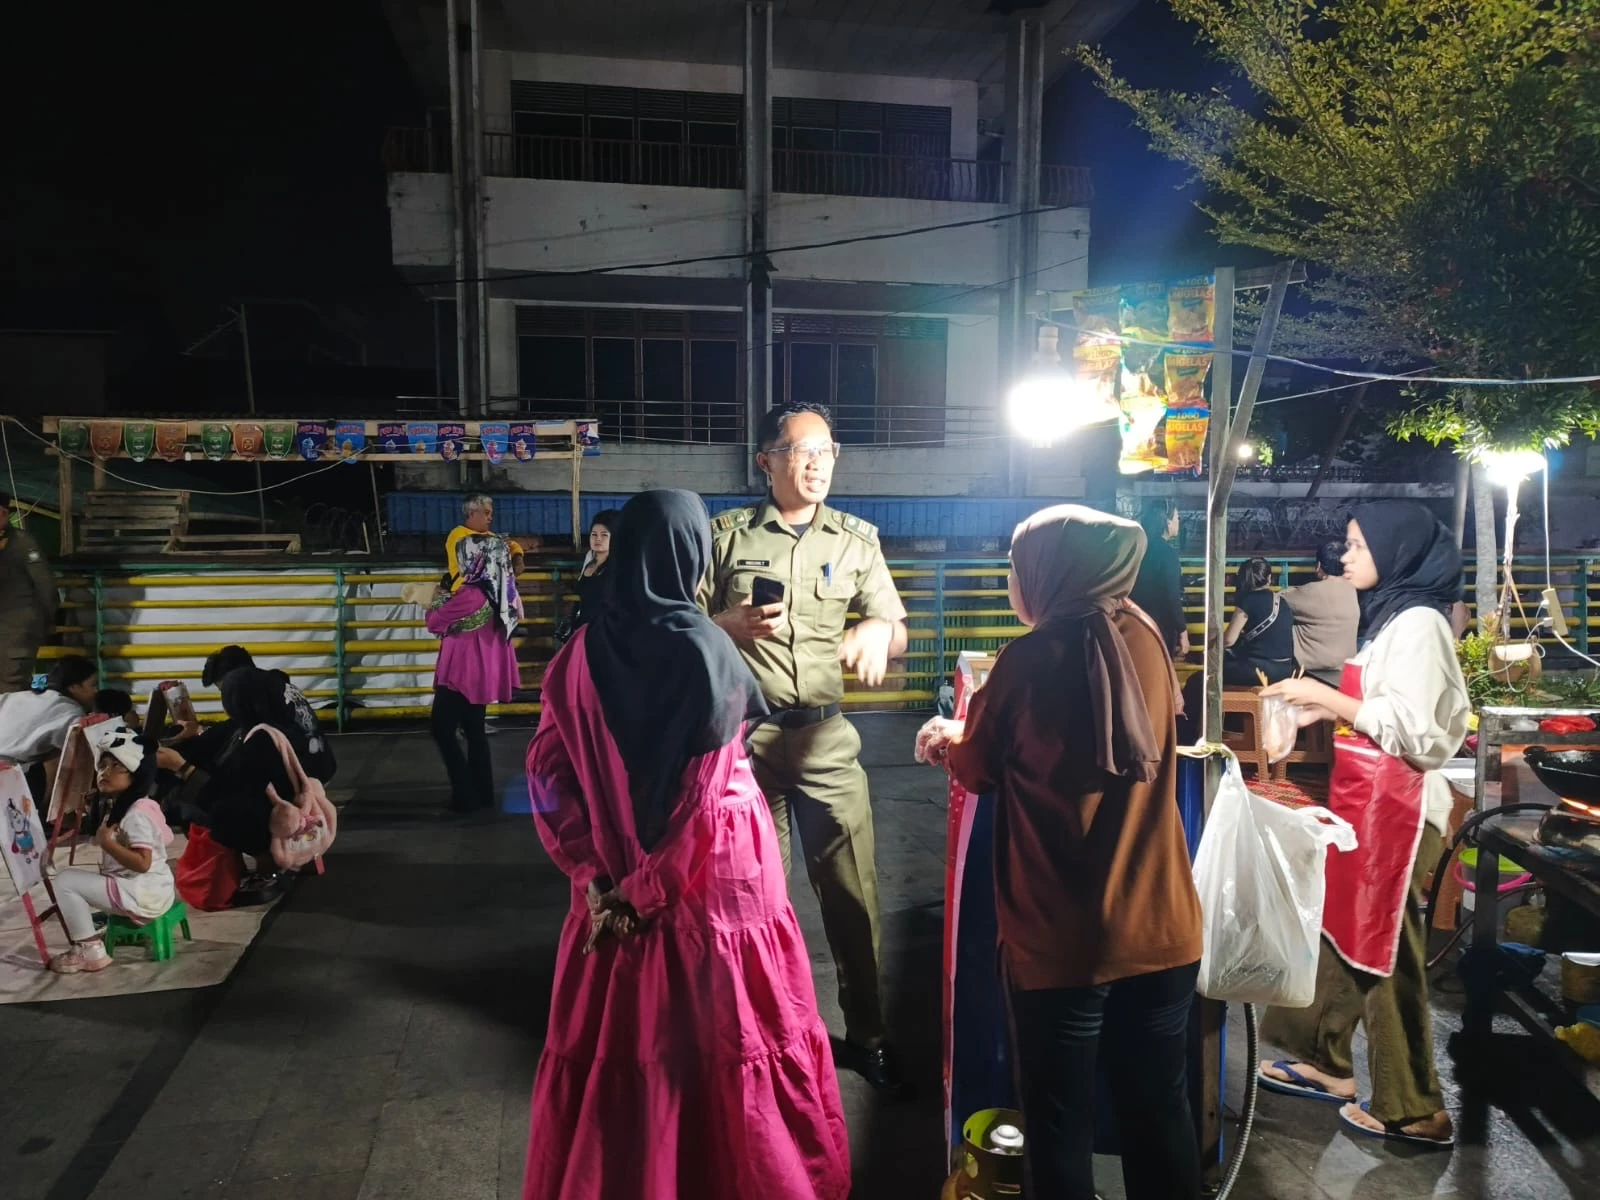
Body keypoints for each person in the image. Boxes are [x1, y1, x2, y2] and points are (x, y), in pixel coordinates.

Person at [523, 489, 851, 1200]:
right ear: (689, 553)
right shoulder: (703, 647)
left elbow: (546, 775)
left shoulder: (579, 650)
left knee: (631, 1049)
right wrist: (643, 895)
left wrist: (592, 879)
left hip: (610, 890)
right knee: (727, 1045)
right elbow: (702, 808)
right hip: (712, 900)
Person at [916, 506, 1202, 1200]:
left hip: (1064, 944)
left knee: (1058, 1129)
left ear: (1046, 572)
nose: (1013, 581)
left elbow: (980, 767)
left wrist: (951, 733)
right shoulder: (1148, 638)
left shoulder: (1031, 658)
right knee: (1159, 1113)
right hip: (1164, 931)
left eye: (1016, 568)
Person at [698, 401, 910, 1093]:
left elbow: (893, 623)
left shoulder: (856, 540)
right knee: (747, 902)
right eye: (801, 451)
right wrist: (724, 625)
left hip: (826, 742)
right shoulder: (724, 537)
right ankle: (758, 1035)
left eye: (826, 450)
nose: (817, 462)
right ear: (768, 461)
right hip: (744, 748)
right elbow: (680, 630)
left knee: (853, 898)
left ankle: (869, 1032)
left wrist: (880, 631)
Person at [1257, 501, 1469, 1148]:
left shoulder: (1422, 625)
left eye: (1355, 545)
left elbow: (1414, 731)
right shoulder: (1393, 620)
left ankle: (1416, 1108)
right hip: (1367, 804)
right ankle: (1324, 1062)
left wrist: (1324, 697)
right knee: (1343, 925)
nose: (1344, 555)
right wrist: (1326, 712)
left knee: (1385, 953)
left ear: (1396, 550)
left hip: (1401, 814)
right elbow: (1380, 707)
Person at [162, 666, 314, 907]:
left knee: (204, 806)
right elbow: (216, 742)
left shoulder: (266, 736)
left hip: (276, 814)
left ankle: (270, 864)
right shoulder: (254, 721)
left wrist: (183, 768)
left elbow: (232, 790)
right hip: (263, 801)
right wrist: (186, 739)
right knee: (184, 792)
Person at [46, 722, 176, 974]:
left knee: (64, 881)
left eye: (118, 767)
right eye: (103, 765)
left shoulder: (135, 814)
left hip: (142, 894)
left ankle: (90, 949)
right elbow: (167, 838)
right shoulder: (143, 804)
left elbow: (142, 863)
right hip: (156, 888)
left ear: (136, 774)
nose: (106, 772)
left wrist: (107, 843)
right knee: (80, 881)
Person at [426, 532, 521, 813]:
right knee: (474, 731)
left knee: (442, 729)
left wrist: (435, 600)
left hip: (461, 673)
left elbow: (434, 621)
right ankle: (482, 793)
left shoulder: (471, 593)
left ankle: (465, 795)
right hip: (482, 672)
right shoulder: (504, 588)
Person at [197, 645, 335, 782]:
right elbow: (236, 726)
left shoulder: (256, 694)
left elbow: (247, 746)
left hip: (301, 780)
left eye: (225, 691)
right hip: (322, 768)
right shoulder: (274, 686)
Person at [0, 655, 99, 802]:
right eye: (93, 685)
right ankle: (46, 817)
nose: (96, 691)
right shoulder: (71, 713)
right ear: (74, 687)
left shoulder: (13, 697)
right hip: (9, 781)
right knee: (65, 753)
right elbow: (86, 754)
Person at [0, 493, 59, 694]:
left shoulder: (21, 543)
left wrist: (47, 619)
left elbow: (46, 586)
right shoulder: (23, 542)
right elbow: (46, 586)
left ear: (2, 514)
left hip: (14, 633)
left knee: (11, 691)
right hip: (17, 633)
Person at [1282, 541, 1360, 679]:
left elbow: (1275, 601)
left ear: (1318, 566)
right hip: (1344, 665)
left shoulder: (1309, 592)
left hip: (1312, 669)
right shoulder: (1352, 589)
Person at [1129, 497, 1188, 659]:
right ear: (1167, 522)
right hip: (1160, 625)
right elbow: (1171, 595)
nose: (1178, 522)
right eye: (1177, 518)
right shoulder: (1167, 553)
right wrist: (1182, 630)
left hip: (1133, 620)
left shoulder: (1137, 548)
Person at [555, 509, 618, 645]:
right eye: (594, 534)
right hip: (583, 629)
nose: (598, 539)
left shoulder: (618, 566)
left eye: (604, 535)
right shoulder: (589, 559)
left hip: (606, 634)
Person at [444, 493, 523, 592]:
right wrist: (498, 545)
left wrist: (517, 557)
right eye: (486, 513)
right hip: (466, 590)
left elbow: (513, 545)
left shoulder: (492, 536)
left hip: (493, 592)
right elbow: (472, 555)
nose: (490, 518)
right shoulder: (458, 534)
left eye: (490, 514)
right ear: (471, 513)